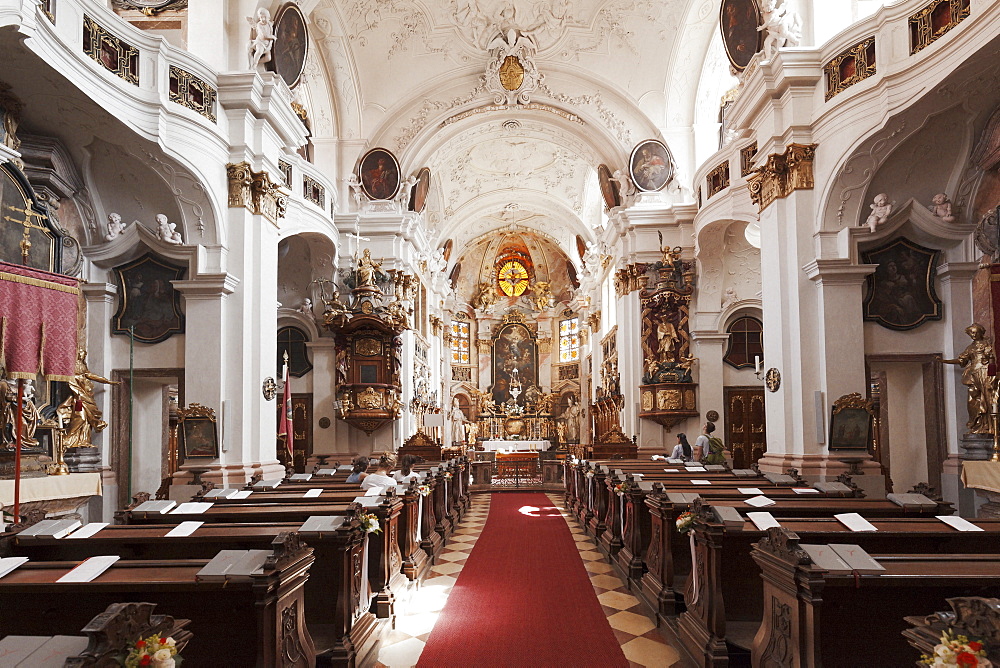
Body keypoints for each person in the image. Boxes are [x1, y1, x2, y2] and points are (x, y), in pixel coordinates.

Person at [942, 323, 1000, 434]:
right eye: (971, 333)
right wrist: (944, 361)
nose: (972, 335)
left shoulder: (987, 345)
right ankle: (978, 424)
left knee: (989, 399)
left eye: (974, 332)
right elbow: (961, 360)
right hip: (973, 376)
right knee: (972, 398)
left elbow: (992, 360)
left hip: (985, 373)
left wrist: (991, 374)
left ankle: (991, 427)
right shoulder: (970, 348)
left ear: (980, 332)